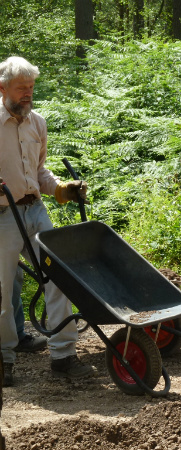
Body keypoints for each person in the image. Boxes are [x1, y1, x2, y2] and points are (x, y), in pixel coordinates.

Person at [0, 56, 95, 386]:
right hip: (3, 216)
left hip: (35, 210)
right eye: (21, 88)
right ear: (2, 88)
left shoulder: (36, 122)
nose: (28, 94)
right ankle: (5, 360)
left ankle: (63, 355)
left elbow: (40, 171)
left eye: (31, 87)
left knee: (58, 275)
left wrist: (62, 189)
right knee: (2, 288)